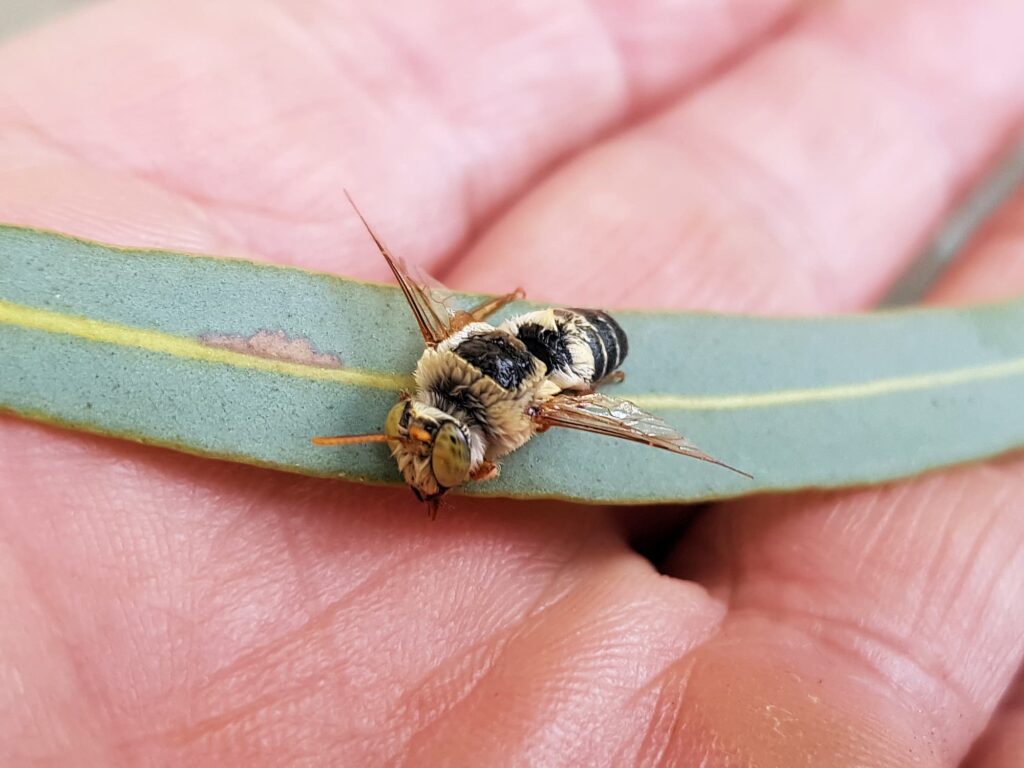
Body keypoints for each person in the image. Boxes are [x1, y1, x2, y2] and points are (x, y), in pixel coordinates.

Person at [1, 1, 1022, 765]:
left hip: (577, 353)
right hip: (529, 328)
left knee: (565, 380)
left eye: (422, 446)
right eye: (422, 441)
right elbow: (473, 340)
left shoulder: (510, 404)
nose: (413, 452)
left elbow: (526, 388)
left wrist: (516, 420)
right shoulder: (438, 368)